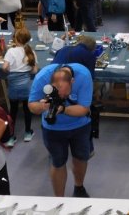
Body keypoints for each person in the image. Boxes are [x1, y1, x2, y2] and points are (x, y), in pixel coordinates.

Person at [28, 63, 93, 197]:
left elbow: (83, 109)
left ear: (72, 81)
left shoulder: (83, 75)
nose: (62, 96)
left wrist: (63, 109)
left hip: (80, 126)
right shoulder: (42, 77)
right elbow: (31, 105)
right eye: (59, 93)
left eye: (66, 93)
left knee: (81, 158)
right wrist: (42, 107)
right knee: (58, 162)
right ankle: (59, 199)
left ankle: (79, 187)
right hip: (53, 129)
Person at [2, 27, 38, 147]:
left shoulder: (10, 51)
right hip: (26, 86)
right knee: (27, 110)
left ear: (15, 39)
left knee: (13, 110)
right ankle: (28, 132)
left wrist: (10, 70)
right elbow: (34, 71)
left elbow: (4, 67)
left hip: (13, 86)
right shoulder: (31, 52)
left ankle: (11, 137)